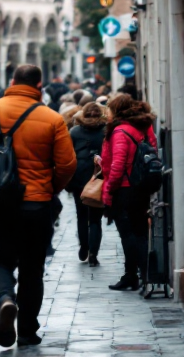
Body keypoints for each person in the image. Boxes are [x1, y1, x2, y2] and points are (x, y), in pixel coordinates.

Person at [0, 64, 76, 348]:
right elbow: (67, 164)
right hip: (37, 204)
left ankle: (4, 299)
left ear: (12, 82)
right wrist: (50, 187)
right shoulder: (52, 118)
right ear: (39, 87)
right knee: (32, 268)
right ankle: (26, 330)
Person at [101, 93, 158, 291]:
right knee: (140, 232)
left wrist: (109, 190)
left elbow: (117, 165)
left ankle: (134, 275)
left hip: (124, 189)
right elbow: (153, 149)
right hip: (140, 186)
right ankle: (142, 274)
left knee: (128, 234)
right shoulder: (141, 127)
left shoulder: (120, 131)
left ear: (116, 110)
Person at [68, 102, 107, 267]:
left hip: (79, 177)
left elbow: (68, 155)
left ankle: (84, 246)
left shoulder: (75, 131)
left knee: (82, 215)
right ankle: (93, 253)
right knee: (96, 218)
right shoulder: (105, 131)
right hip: (98, 177)